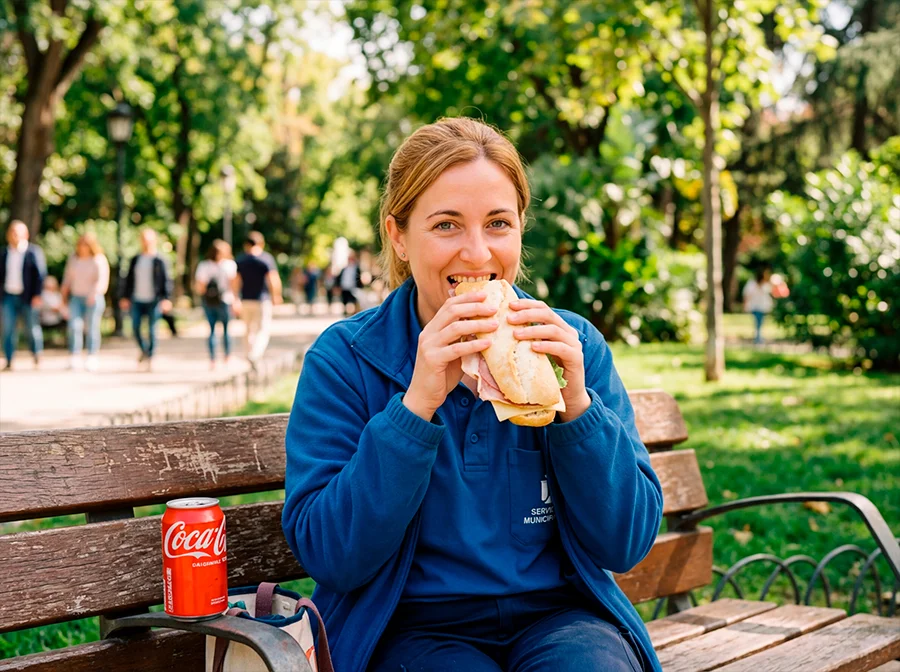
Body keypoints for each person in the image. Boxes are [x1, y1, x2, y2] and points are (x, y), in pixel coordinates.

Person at [282, 118, 663, 672]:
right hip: (409, 630)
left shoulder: (571, 345)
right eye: (446, 225)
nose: (477, 253)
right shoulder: (345, 360)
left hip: (560, 619)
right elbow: (331, 554)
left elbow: (624, 542)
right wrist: (415, 405)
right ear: (398, 237)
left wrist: (577, 406)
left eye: (498, 223)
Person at [120, 228, 173, 370]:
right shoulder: (136, 259)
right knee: (135, 327)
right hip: (137, 299)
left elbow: (166, 280)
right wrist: (125, 297)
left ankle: (150, 356)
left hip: (154, 300)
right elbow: (128, 280)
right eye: (143, 239)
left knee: (151, 330)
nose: (146, 243)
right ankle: (144, 350)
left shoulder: (160, 260)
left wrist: (166, 298)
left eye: (148, 240)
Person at [0, 220, 46, 370]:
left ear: (25, 234)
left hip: (28, 297)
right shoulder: (4, 253)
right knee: (8, 329)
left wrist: (37, 295)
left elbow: (40, 275)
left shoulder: (33, 252)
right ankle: (8, 359)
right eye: (12, 232)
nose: (14, 236)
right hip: (9, 296)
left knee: (32, 328)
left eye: (17, 232)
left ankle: (36, 354)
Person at [61, 232, 110, 371]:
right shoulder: (74, 259)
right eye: (81, 244)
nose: (83, 247)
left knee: (92, 327)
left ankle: (92, 355)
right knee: (74, 326)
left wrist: (94, 293)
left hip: (93, 298)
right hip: (76, 297)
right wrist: (63, 295)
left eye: (86, 244)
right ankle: (75, 354)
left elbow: (102, 280)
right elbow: (67, 278)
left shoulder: (99, 259)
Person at [235, 231, 282, 369]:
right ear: (261, 243)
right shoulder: (266, 259)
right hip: (262, 300)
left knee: (248, 329)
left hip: (245, 300)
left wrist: (236, 298)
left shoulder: (241, 259)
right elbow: (273, 279)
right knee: (263, 329)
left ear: (246, 245)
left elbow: (236, 281)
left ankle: (249, 354)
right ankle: (255, 354)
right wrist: (276, 295)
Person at [195, 239, 239, 369]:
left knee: (212, 330)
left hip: (209, 301)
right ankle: (227, 356)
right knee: (226, 330)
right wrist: (236, 300)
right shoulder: (229, 265)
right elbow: (233, 285)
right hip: (225, 300)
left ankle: (213, 359)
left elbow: (200, 287)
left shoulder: (204, 266)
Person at [742, 266, 788, 345]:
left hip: (762, 306)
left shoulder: (766, 284)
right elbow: (747, 294)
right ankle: (758, 338)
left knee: (759, 322)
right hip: (755, 306)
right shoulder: (752, 284)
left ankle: (758, 337)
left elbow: (773, 292)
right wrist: (745, 304)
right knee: (758, 322)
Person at [338, 250, 363, 316]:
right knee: (345, 300)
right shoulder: (344, 268)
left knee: (353, 301)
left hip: (353, 287)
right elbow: (340, 277)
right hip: (345, 287)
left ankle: (353, 312)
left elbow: (359, 278)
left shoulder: (356, 268)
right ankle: (346, 312)